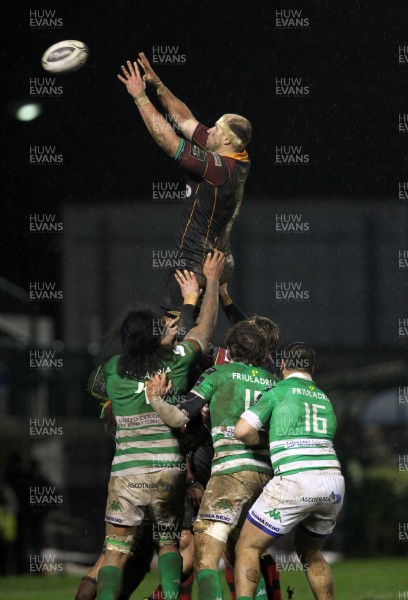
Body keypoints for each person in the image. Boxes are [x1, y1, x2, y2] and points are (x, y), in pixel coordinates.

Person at [95, 250, 225, 600]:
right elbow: (203, 328)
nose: (170, 328)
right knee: (168, 544)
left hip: (127, 472)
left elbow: (102, 390)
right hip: (168, 470)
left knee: (114, 552)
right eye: (163, 327)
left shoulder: (112, 370)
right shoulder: (176, 364)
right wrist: (207, 284)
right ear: (154, 338)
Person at [146, 321, 279, 600]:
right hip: (268, 478)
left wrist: (156, 400)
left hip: (230, 473)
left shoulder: (218, 373)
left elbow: (178, 417)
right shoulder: (273, 381)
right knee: (247, 550)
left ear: (230, 349)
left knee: (206, 555)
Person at [118, 55, 252, 307]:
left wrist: (140, 96)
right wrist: (159, 86)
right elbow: (185, 121)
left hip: (195, 265)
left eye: (216, 129)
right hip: (220, 260)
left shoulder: (218, 167)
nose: (209, 130)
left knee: (171, 332)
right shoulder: (238, 156)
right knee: (197, 326)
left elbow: (169, 140)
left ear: (225, 141)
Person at [233, 343, 345, 600]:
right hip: (333, 484)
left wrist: (265, 441)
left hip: (296, 480)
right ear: (312, 368)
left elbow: (242, 431)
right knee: (311, 553)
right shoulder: (324, 398)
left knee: (247, 547)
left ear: (282, 364)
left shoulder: (278, 390)